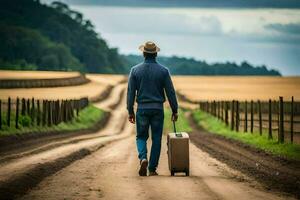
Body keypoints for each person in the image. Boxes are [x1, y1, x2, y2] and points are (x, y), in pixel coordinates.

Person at [127, 41, 178, 176]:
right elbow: (170, 92)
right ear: (156, 54)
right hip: (157, 109)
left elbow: (131, 93)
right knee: (156, 138)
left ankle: (143, 158)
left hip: (142, 109)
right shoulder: (164, 71)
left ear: (144, 53)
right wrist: (175, 109)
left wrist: (130, 111)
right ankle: (152, 168)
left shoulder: (135, 70)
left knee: (141, 137)